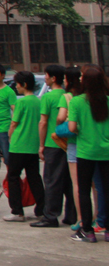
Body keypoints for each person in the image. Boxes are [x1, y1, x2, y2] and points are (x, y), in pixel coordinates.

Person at [63, 65, 109, 243]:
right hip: (106, 151)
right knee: (106, 189)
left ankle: (87, 230)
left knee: (83, 190)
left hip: (85, 151)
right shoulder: (107, 100)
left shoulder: (77, 101)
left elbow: (72, 127)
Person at [33, 65, 77, 228]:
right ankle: (72, 215)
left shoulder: (48, 97)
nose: (45, 78)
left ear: (53, 78)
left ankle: (50, 216)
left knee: (51, 180)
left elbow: (43, 122)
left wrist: (41, 145)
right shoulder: (69, 95)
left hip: (54, 143)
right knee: (69, 181)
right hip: (68, 143)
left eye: (46, 75)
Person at [2, 70, 45, 222]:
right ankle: (41, 209)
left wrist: (9, 136)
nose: (16, 87)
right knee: (34, 177)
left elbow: (14, 123)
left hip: (19, 145)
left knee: (13, 177)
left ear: (24, 85)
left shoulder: (21, 102)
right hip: (33, 145)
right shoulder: (38, 101)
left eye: (17, 84)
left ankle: (17, 211)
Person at [57, 66, 85, 230]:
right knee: (97, 186)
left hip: (75, 143)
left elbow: (62, 118)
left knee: (78, 184)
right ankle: (98, 218)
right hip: (95, 143)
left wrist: (60, 126)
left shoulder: (69, 97)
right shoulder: (97, 98)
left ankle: (81, 219)